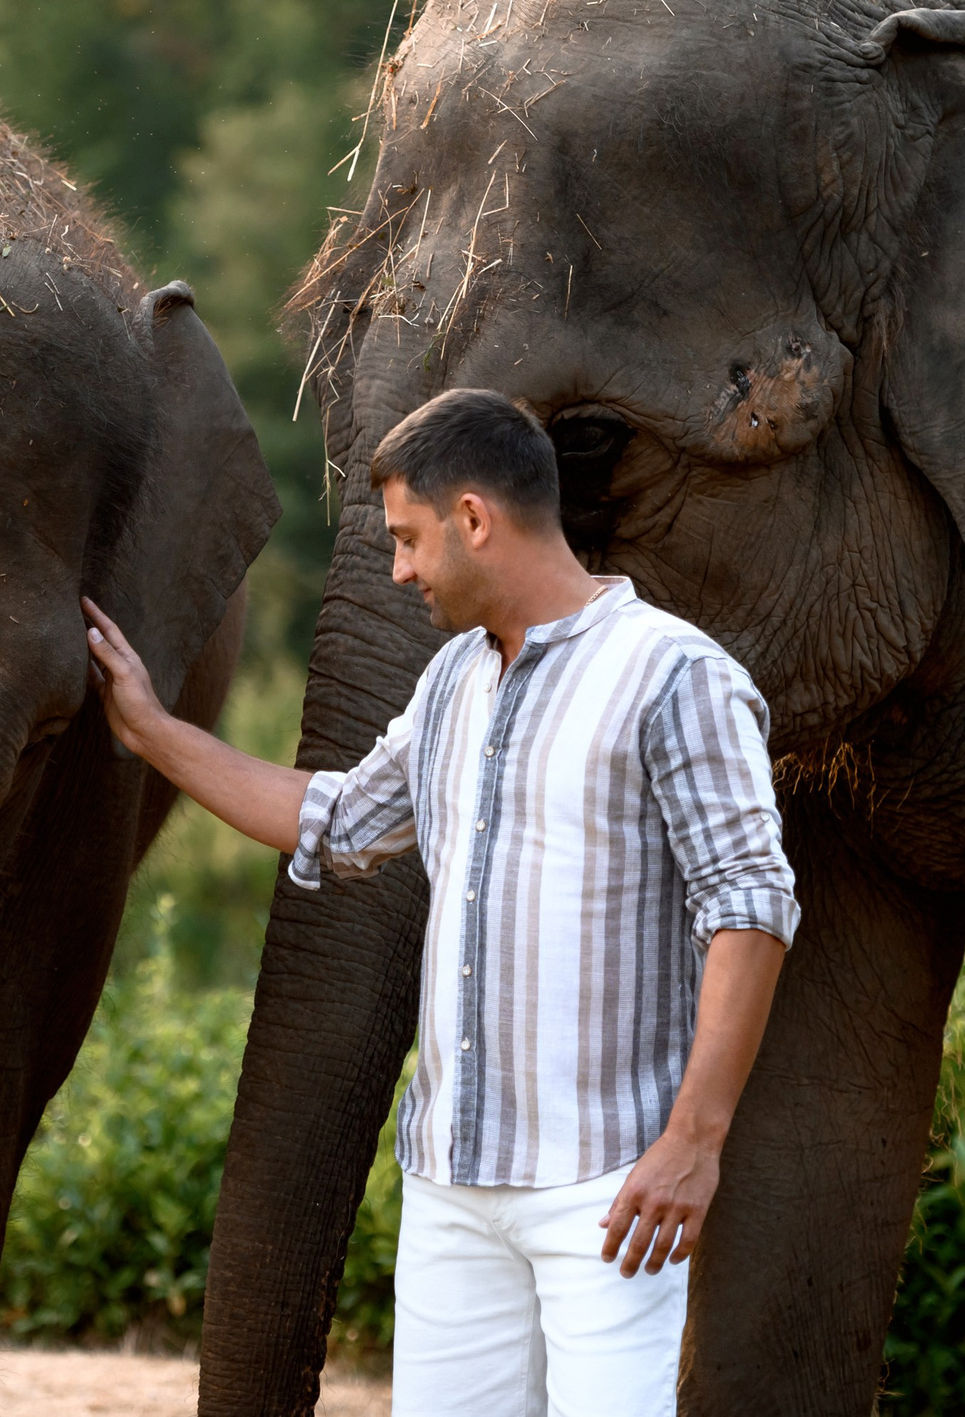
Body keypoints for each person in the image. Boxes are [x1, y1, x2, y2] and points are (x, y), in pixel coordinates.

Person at [80, 387, 798, 1417]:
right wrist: (151, 728)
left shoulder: (674, 675)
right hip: (453, 1183)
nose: (401, 568)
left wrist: (693, 1140)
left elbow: (750, 906)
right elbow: (331, 817)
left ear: (474, 518)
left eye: (409, 538)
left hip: (605, 1190)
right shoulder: (453, 678)